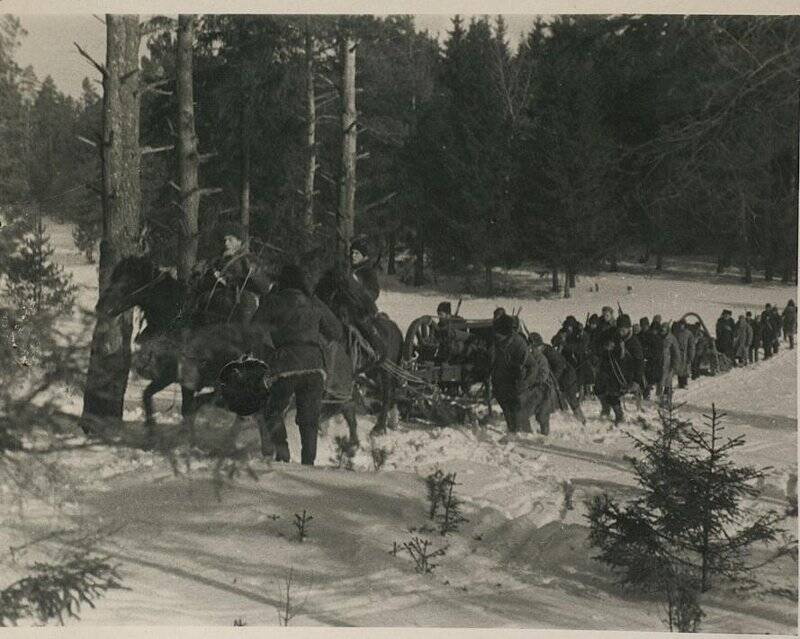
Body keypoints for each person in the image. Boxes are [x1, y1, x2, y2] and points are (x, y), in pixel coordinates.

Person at [255, 264, 344, 465]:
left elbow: (253, 329)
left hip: (285, 364)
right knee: (309, 418)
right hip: (315, 365)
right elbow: (337, 332)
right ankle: (308, 463)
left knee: (272, 410)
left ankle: (283, 453)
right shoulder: (315, 303)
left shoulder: (274, 301)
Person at [491, 314, 552, 435]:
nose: (496, 336)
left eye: (499, 333)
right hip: (503, 383)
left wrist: (526, 383)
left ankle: (527, 435)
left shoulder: (519, 344)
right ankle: (514, 432)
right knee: (508, 409)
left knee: (522, 412)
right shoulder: (498, 342)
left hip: (522, 384)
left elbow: (533, 366)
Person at [529, 332, 586, 425]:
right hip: (561, 376)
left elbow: (560, 365)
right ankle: (567, 419)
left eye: (535, 347)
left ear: (539, 345)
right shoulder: (543, 352)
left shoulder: (549, 352)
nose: (533, 349)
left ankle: (582, 420)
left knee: (571, 399)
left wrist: (554, 379)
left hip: (567, 376)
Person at [661, 321, 682, 403]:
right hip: (661, 364)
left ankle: (667, 401)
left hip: (669, 365)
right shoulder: (659, 337)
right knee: (661, 383)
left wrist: (674, 365)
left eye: (664, 329)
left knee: (668, 383)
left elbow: (676, 353)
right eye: (662, 329)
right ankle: (661, 399)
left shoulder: (672, 339)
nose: (662, 331)